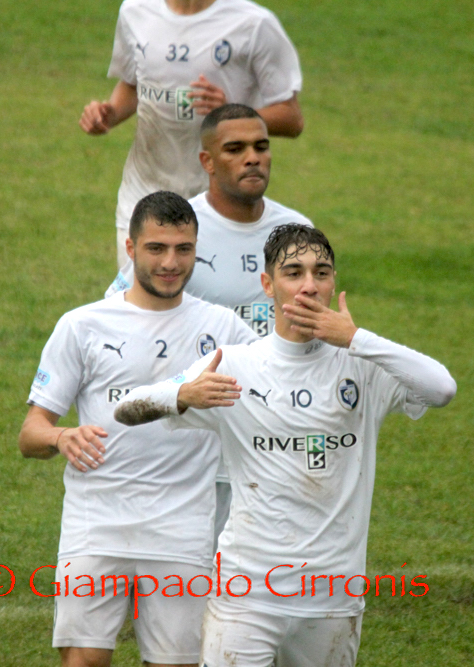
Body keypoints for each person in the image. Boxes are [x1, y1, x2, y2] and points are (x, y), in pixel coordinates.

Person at [115, 224, 457, 667]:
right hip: (246, 594)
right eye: (294, 273)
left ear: (333, 283)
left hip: (332, 596)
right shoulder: (233, 364)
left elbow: (442, 388)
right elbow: (126, 409)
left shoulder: (363, 366)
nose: (309, 285)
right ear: (267, 284)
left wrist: (355, 339)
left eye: (321, 273)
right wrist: (182, 395)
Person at [18, 191, 256, 667]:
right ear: (130, 248)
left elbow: (276, 385)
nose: (170, 263)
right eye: (156, 248)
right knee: (84, 660)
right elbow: (30, 433)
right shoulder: (83, 325)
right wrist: (61, 437)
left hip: (183, 525)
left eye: (184, 249)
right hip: (96, 522)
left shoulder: (225, 329)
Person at [107, 102, 313, 549]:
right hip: (193, 439)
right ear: (207, 161)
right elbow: (119, 314)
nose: (253, 158)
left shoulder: (296, 230)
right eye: (235, 149)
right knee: (189, 565)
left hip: (272, 428)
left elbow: (310, 326)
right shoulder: (180, 234)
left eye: (261, 146)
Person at [79, 0, 304, 267]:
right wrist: (110, 114)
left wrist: (231, 113)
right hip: (142, 197)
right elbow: (133, 85)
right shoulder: (135, 11)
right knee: (143, 294)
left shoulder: (253, 24)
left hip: (219, 208)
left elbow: (292, 118)